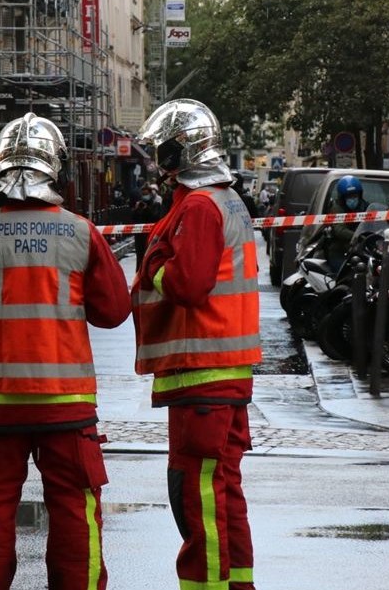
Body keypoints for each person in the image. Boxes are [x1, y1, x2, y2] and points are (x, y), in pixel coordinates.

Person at [0, 113, 130, 590]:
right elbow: (113, 311)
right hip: (66, 402)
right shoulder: (82, 232)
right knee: (75, 507)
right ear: (54, 166)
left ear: (0, 165)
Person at [132, 99, 261, 590]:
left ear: (178, 151)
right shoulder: (225, 199)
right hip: (223, 371)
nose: (158, 164)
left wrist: (152, 265)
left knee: (196, 495)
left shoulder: (201, 207)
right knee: (222, 493)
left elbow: (186, 284)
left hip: (201, 371)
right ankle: (237, 584)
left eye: (162, 152)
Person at [325, 175, 370, 271]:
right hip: (340, 251)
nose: (352, 199)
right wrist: (357, 236)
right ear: (342, 197)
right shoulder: (337, 208)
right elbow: (339, 230)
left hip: (361, 250)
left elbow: (374, 222)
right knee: (341, 273)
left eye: (355, 196)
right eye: (349, 197)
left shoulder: (365, 207)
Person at [130, 182, 164, 270]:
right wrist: (136, 209)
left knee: (150, 257)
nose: (145, 196)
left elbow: (156, 217)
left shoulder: (156, 204)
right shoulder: (139, 204)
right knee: (140, 258)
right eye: (143, 194)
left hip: (151, 236)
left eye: (146, 193)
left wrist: (147, 209)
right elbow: (133, 219)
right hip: (140, 237)